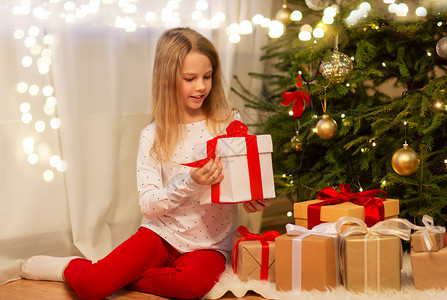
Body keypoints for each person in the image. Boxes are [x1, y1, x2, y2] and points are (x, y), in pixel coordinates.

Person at [21, 27, 271, 300]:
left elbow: (238, 183)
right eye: (190, 78)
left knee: (189, 286)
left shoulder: (228, 123)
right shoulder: (153, 135)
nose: (201, 86)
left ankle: (114, 274)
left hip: (209, 245)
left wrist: (251, 197)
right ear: (167, 79)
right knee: (91, 287)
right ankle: (68, 267)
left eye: (207, 76)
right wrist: (190, 181)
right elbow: (149, 205)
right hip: (160, 234)